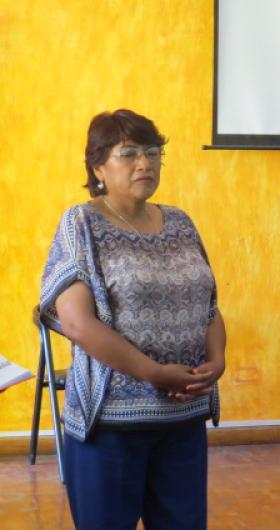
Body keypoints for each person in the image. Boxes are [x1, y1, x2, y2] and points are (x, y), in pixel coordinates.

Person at [40, 109, 225, 530]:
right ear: (98, 167)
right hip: (111, 424)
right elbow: (78, 324)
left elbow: (209, 306)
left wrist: (217, 360)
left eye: (153, 152)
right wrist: (154, 373)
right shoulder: (81, 223)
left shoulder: (180, 222)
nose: (145, 163)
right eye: (129, 153)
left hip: (183, 416)